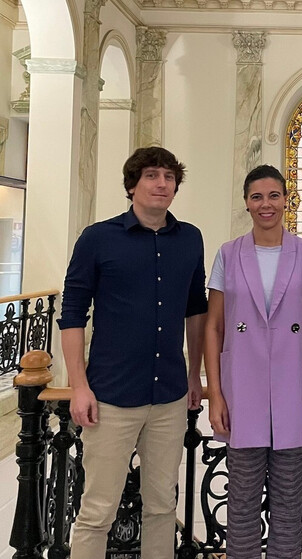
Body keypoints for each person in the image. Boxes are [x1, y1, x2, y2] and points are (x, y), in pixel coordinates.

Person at [57, 147, 207, 559]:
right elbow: (72, 313)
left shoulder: (190, 238)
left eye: (170, 177)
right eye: (152, 176)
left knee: (162, 507)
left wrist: (196, 376)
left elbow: (197, 310)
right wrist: (78, 386)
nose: (162, 184)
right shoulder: (98, 238)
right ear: (132, 185)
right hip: (110, 398)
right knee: (97, 511)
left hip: (169, 399)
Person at [204, 164, 302, 559]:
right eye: (257, 197)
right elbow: (214, 327)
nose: (266, 204)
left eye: (274, 196)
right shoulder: (228, 254)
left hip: (295, 387)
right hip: (242, 388)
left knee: (289, 500)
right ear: (246, 202)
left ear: (287, 200)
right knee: (241, 499)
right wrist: (215, 395)